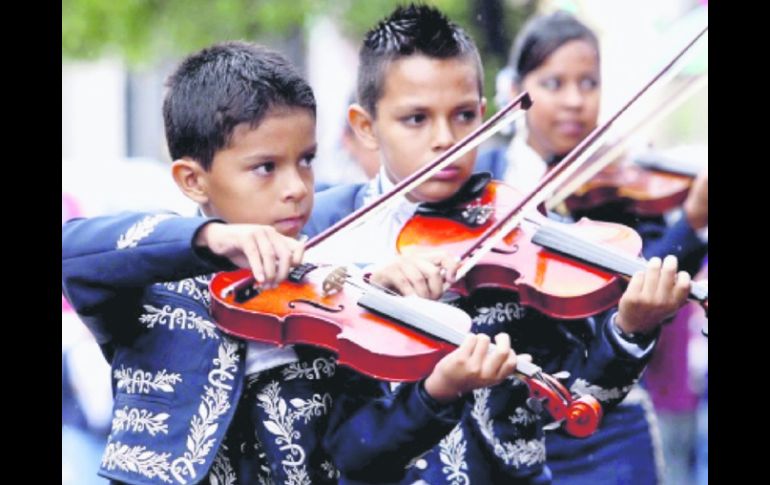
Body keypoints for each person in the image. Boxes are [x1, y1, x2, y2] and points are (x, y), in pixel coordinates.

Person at [62, 39, 520, 485]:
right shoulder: (151, 281)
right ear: (192, 180)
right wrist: (212, 238)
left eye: (305, 161)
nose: (298, 188)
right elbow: (75, 250)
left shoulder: (333, 292)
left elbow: (359, 456)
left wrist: (437, 391)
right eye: (266, 167)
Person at [303, 5, 691, 484]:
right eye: (416, 119)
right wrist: (364, 284)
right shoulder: (327, 229)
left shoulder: (516, 227)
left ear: (485, 114)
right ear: (366, 126)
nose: (445, 139)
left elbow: (578, 403)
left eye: (464, 116)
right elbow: (346, 452)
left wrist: (629, 329)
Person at [475, 11, 708, 484]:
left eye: (589, 83)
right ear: (516, 89)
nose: (575, 101)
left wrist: (694, 222)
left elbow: (651, 288)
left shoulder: (617, 192)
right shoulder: (487, 179)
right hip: (502, 430)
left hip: (606, 423)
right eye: (554, 83)